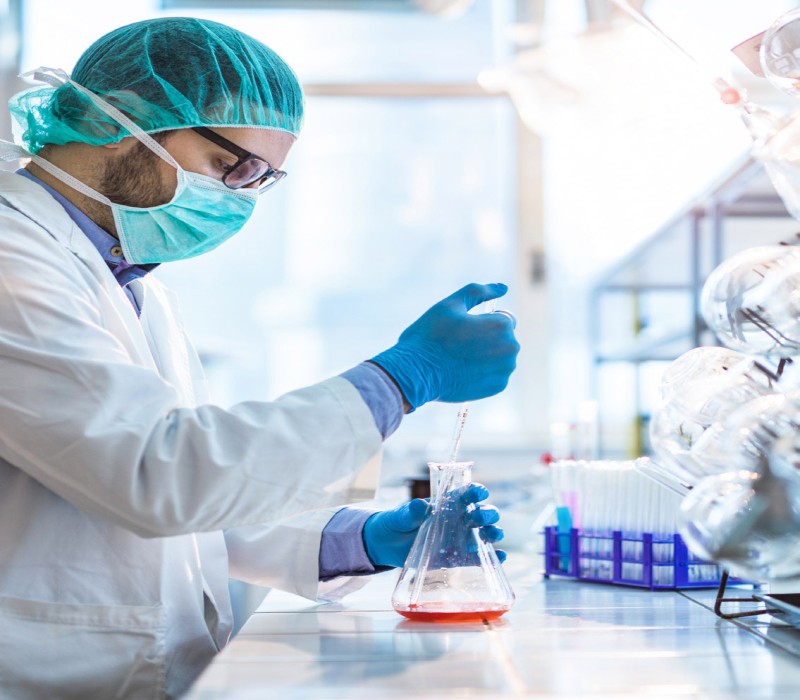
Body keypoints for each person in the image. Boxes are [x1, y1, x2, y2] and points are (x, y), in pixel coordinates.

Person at [0, 16, 520, 700]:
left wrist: (357, 541)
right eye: (232, 167)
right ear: (116, 119)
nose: (238, 200)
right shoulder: (13, 260)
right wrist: (402, 377)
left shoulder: (130, 284)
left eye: (261, 180)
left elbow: (195, 498)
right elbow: (157, 474)